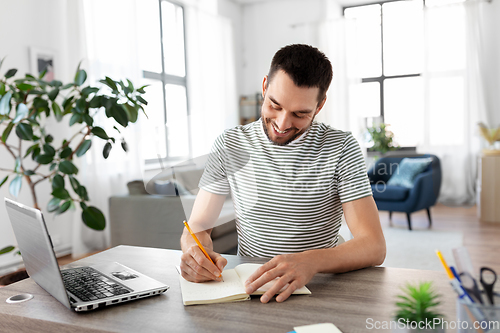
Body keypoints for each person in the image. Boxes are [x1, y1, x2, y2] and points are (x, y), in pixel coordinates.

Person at [180, 44, 386, 303]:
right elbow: (198, 225)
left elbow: (373, 245)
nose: (282, 124)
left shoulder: (341, 148)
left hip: (318, 286)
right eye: (274, 105)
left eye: (300, 114)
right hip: (253, 287)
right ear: (265, 87)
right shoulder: (230, 144)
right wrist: (194, 251)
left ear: (320, 105)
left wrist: (310, 261)